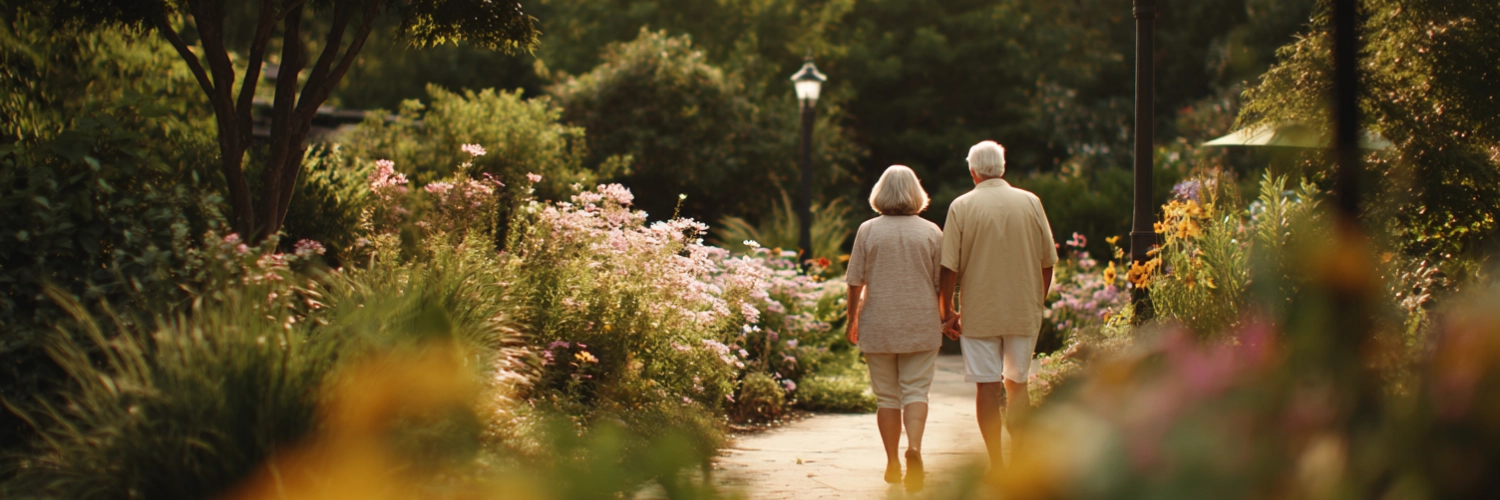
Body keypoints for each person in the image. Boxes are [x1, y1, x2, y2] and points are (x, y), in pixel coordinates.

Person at [939, 140, 1057, 475]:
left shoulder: (961, 206)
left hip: (979, 311)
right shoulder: (1030, 202)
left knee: (986, 387)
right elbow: (1047, 261)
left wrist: (946, 312)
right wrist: (1038, 298)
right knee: (1018, 385)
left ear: (972, 171)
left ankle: (996, 464)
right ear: (1002, 167)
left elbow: (948, 267)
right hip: (1023, 308)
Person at [844, 165, 952, 492]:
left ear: (881, 192)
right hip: (921, 324)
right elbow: (941, 285)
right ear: (916, 193)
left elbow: (854, 282)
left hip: (878, 324)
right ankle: (914, 450)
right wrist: (947, 318)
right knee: (916, 391)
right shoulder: (932, 231)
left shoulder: (868, 230)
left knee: (887, 397)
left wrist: (853, 320)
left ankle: (892, 460)